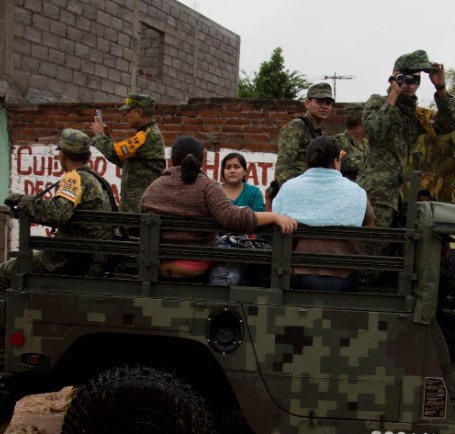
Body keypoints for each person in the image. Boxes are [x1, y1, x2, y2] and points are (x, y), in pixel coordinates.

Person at [0, 129, 112, 372]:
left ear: (63, 154)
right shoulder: (97, 180)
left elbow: (59, 213)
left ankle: (0, 348)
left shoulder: (74, 178)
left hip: (69, 259)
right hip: (92, 258)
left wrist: (24, 201)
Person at [140, 136, 297, 278]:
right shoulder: (207, 186)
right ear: (201, 160)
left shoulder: (154, 187)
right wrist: (275, 216)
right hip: (195, 264)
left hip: (156, 261)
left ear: (172, 159)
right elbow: (234, 219)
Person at [358, 50, 455, 233]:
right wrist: (394, 94)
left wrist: (441, 88)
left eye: (416, 80)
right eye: (405, 78)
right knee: (371, 251)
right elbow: (374, 130)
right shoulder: (377, 103)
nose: (410, 85)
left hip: (397, 197)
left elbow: (448, 124)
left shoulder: (416, 115)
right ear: (395, 77)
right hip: (375, 194)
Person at [272, 136, 374, 292]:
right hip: (345, 278)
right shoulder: (356, 192)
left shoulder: (289, 188)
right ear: (336, 160)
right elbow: (369, 228)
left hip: (301, 276)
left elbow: (275, 223)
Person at [90, 92, 166, 214]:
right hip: (137, 210)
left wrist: (99, 136)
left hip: (140, 212)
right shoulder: (147, 134)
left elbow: (114, 152)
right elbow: (123, 160)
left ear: (139, 112)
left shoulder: (146, 136)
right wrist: (107, 138)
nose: (125, 116)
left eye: (128, 112)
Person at [274, 82, 334, 190]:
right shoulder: (297, 126)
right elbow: (284, 165)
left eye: (328, 103)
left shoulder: (320, 133)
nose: (325, 106)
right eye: (319, 101)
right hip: (298, 191)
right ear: (307, 103)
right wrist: (290, 193)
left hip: (313, 191)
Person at [334, 104, 367, 181]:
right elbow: (340, 164)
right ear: (361, 122)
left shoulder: (366, 143)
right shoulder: (338, 141)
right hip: (347, 189)